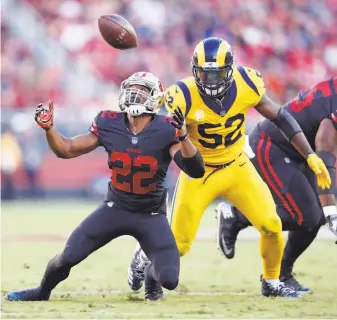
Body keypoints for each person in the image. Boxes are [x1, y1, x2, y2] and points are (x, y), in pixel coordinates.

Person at [127, 37, 331, 298]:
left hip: (238, 166)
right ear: (194, 70)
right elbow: (164, 140)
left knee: (271, 224)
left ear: (231, 69)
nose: (211, 81)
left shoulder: (248, 83)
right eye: (205, 74)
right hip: (199, 172)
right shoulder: (182, 94)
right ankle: (146, 257)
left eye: (218, 74)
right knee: (180, 244)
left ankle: (271, 281)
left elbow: (279, 116)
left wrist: (310, 154)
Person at [5, 72, 205, 302]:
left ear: (155, 97)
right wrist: (49, 129)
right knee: (68, 256)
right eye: (132, 89)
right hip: (114, 208)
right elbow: (67, 149)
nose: (134, 94)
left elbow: (195, 170)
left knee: (169, 279)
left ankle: (150, 273)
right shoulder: (108, 122)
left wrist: (184, 138)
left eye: (142, 90)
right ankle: (42, 291)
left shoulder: (167, 128)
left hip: (150, 214)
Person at [216, 77, 337, 292]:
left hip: (302, 154)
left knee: (314, 217)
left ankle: (282, 274)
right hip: (272, 144)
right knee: (307, 214)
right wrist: (332, 210)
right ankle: (236, 216)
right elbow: (325, 152)